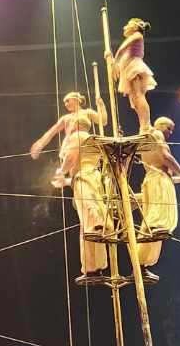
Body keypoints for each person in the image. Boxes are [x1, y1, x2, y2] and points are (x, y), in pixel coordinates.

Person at [133, 116, 180, 282]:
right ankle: (154, 231)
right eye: (169, 128)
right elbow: (166, 158)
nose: (170, 133)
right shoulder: (157, 135)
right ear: (160, 125)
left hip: (154, 179)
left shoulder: (150, 138)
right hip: (158, 180)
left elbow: (162, 169)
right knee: (158, 219)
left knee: (152, 227)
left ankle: (141, 265)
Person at [30, 92, 107, 188]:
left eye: (67, 101)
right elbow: (51, 132)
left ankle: (63, 172)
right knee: (76, 174)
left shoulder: (87, 112)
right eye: (64, 102)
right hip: (72, 143)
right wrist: (40, 144)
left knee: (87, 172)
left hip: (86, 143)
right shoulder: (66, 118)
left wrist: (101, 105)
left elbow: (103, 121)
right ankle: (63, 172)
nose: (65, 104)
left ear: (76, 100)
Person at [70, 134, 112, 284]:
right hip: (92, 176)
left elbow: (72, 158)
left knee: (90, 213)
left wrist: (62, 173)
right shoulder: (91, 139)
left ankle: (98, 223)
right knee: (86, 228)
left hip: (84, 177)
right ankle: (93, 268)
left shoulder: (78, 136)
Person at [110, 18, 156, 132]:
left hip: (134, 67)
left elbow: (122, 48)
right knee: (135, 100)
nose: (125, 27)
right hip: (129, 67)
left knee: (138, 95)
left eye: (128, 24)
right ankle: (143, 124)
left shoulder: (137, 35)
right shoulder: (135, 37)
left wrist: (115, 62)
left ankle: (146, 124)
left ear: (135, 27)